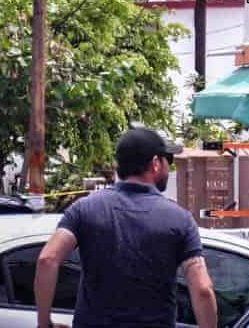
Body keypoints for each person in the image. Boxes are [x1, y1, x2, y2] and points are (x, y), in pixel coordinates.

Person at [35, 126, 216, 328]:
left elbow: (47, 259)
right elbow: (203, 290)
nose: (169, 167)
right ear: (155, 163)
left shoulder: (84, 209)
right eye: (168, 160)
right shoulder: (180, 220)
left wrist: (44, 324)